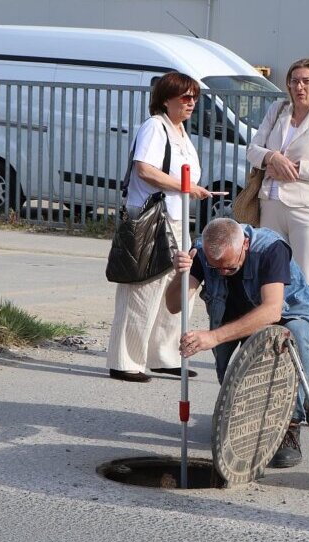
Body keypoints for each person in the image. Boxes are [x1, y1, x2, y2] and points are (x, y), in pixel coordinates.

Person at [165, 218, 309, 468]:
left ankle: (290, 423)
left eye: (229, 268)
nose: (222, 272)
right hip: (236, 314)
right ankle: (291, 396)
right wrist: (179, 275)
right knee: (234, 379)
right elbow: (172, 306)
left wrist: (213, 337)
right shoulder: (202, 253)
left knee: (295, 335)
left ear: (245, 244)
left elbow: (272, 312)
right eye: (216, 269)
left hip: (291, 312)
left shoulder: (271, 249)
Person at [105, 72, 210, 383]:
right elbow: (145, 169)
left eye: (194, 97)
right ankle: (125, 360)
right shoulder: (155, 126)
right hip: (152, 219)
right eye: (185, 97)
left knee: (177, 288)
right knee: (143, 287)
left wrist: (190, 189)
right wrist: (185, 186)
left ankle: (162, 355)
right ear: (166, 99)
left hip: (177, 219)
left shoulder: (179, 131)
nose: (191, 102)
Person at [246, 57, 309, 306]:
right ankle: (276, 339)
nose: (299, 87)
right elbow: (252, 150)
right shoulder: (278, 109)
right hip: (271, 204)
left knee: (307, 279)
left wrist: (293, 169)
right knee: (270, 279)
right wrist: (272, 157)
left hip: (307, 208)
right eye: (294, 81)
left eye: (306, 81)